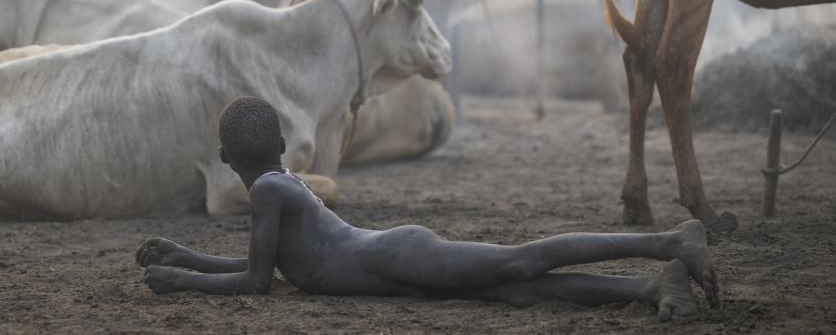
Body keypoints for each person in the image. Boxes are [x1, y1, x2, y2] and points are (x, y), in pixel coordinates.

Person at [136, 96, 718, 321]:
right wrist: (186, 254)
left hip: (396, 255)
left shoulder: (266, 191)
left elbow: (258, 282)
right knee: (518, 290)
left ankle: (669, 241)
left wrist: (181, 278)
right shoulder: (280, 185)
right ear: (284, 146)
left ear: (222, 157)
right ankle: (650, 285)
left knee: (520, 263)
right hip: (394, 265)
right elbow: (260, 268)